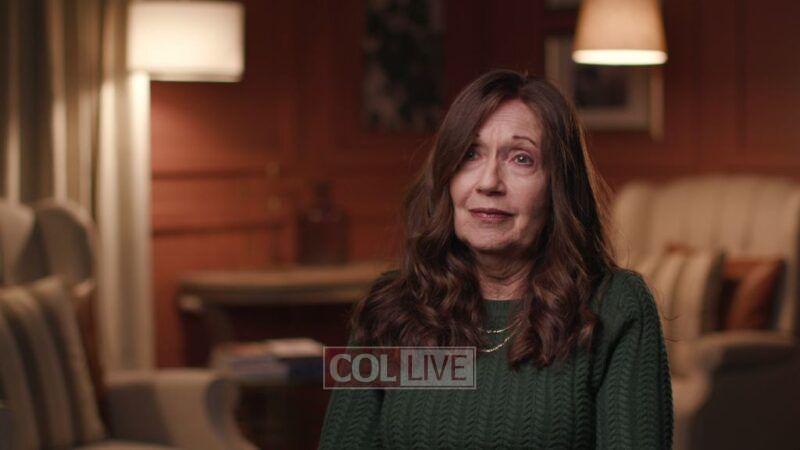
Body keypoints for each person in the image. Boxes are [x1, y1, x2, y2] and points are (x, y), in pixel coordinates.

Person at [319, 69, 673, 449]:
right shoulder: (391, 308)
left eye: (521, 159)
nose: (489, 182)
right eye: (470, 154)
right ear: (447, 175)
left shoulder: (615, 307)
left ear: (558, 187)